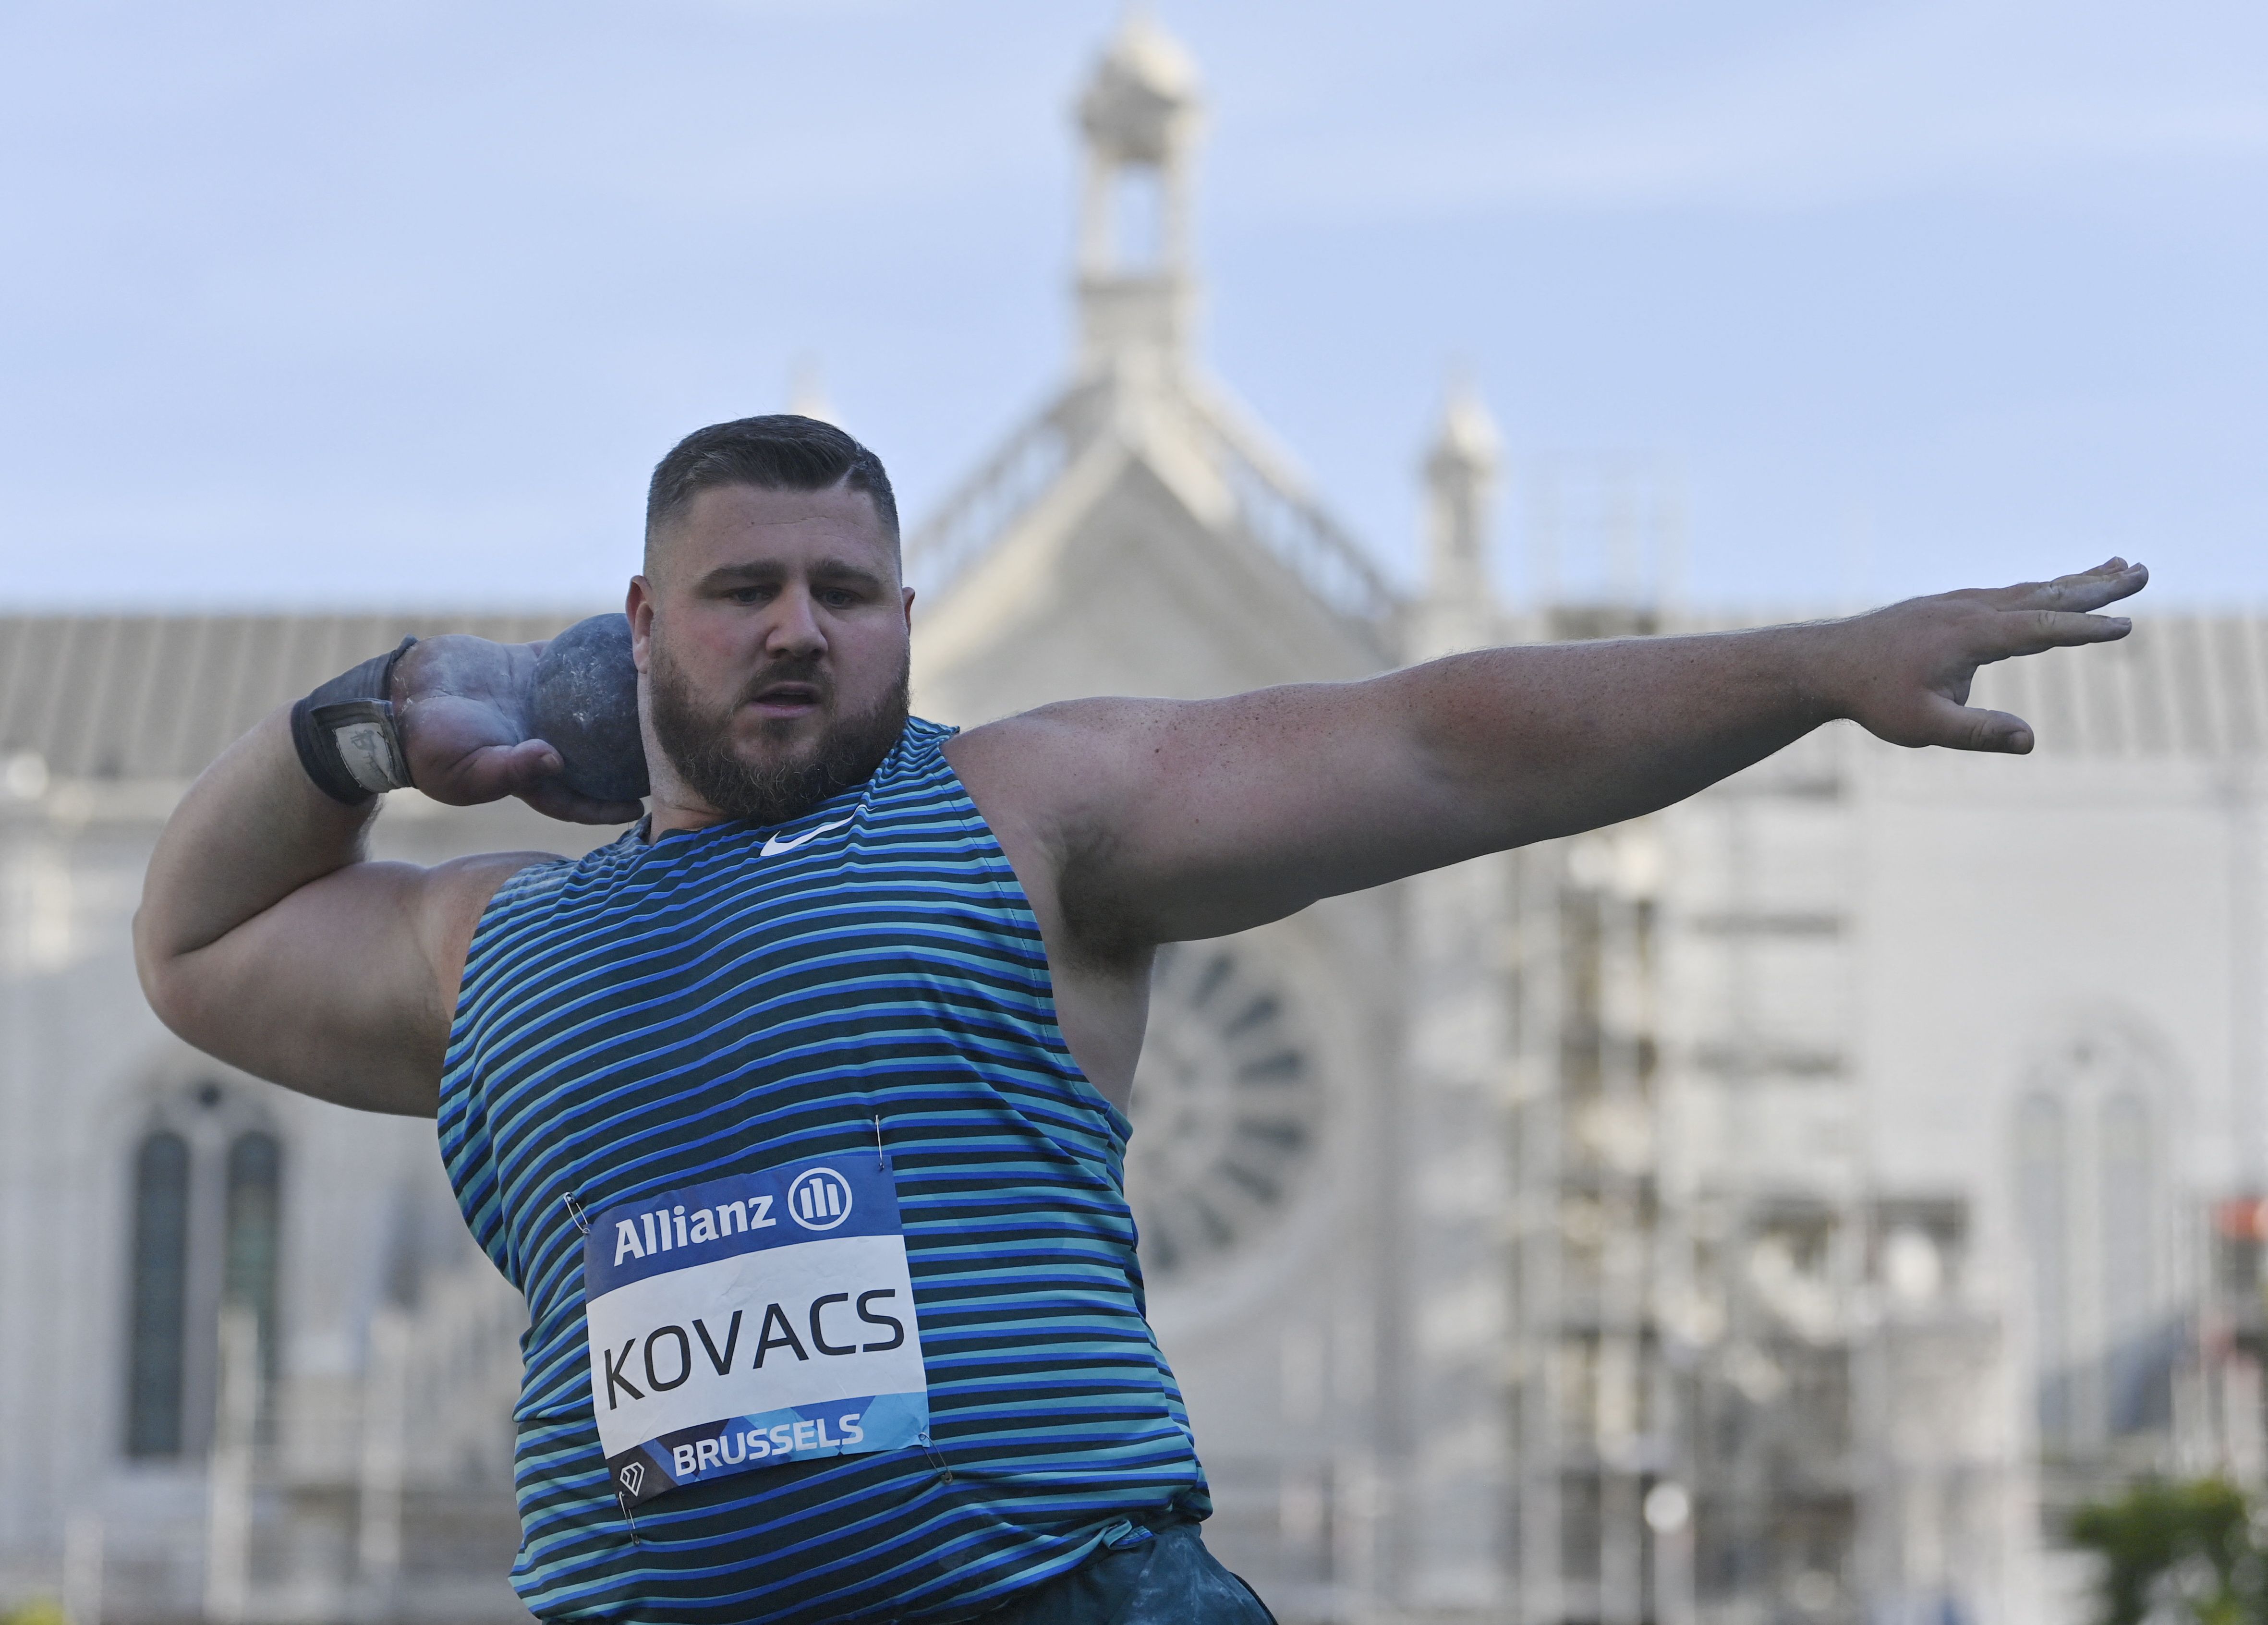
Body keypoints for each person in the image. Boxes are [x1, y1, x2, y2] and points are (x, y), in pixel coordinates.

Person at [135, 415, 2146, 1625]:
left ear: (907, 627)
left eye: (847, 588)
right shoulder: (495, 947)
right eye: (739, 584)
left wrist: (1811, 662)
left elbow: (1441, 745)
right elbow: (197, 946)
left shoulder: (1022, 810)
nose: (795, 624)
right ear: (628, 629)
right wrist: (372, 715)